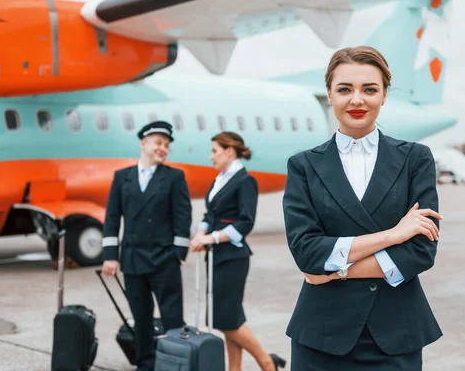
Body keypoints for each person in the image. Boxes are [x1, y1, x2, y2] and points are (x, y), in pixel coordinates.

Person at [282, 46, 443, 370]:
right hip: (321, 334)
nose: (357, 100)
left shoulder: (415, 158)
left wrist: (336, 271)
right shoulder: (303, 165)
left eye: (369, 89)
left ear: (384, 95)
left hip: (395, 332)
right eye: (345, 89)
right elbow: (307, 254)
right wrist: (393, 235)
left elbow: (420, 252)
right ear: (329, 94)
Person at [189, 131, 286, 371]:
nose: (211, 157)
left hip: (233, 257)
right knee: (230, 318)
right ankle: (235, 369)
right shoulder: (219, 179)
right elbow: (210, 215)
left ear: (229, 151)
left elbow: (245, 223)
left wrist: (211, 238)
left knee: (225, 319)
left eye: (214, 151)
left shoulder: (245, 181)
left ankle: (266, 362)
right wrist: (200, 233)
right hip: (217, 256)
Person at [101, 121, 192, 371]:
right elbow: (111, 217)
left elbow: (183, 217)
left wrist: (178, 254)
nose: (163, 148)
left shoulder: (174, 177)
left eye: (166, 145)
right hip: (132, 258)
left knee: (172, 318)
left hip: (165, 259)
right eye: (158, 143)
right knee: (140, 318)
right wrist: (110, 256)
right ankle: (145, 362)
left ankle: (175, 362)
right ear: (143, 144)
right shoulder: (122, 177)